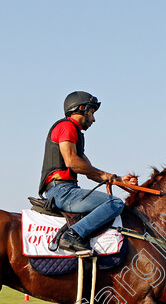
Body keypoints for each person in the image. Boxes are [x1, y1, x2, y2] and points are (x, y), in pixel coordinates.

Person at [39, 91, 138, 252]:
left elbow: (90, 172)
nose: (93, 119)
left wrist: (119, 180)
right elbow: (72, 162)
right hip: (62, 191)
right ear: (81, 108)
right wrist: (107, 176)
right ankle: (73, 235)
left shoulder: (76, 135)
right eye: (91, 113)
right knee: (114, 203)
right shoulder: (67, 127)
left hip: (65, 190)